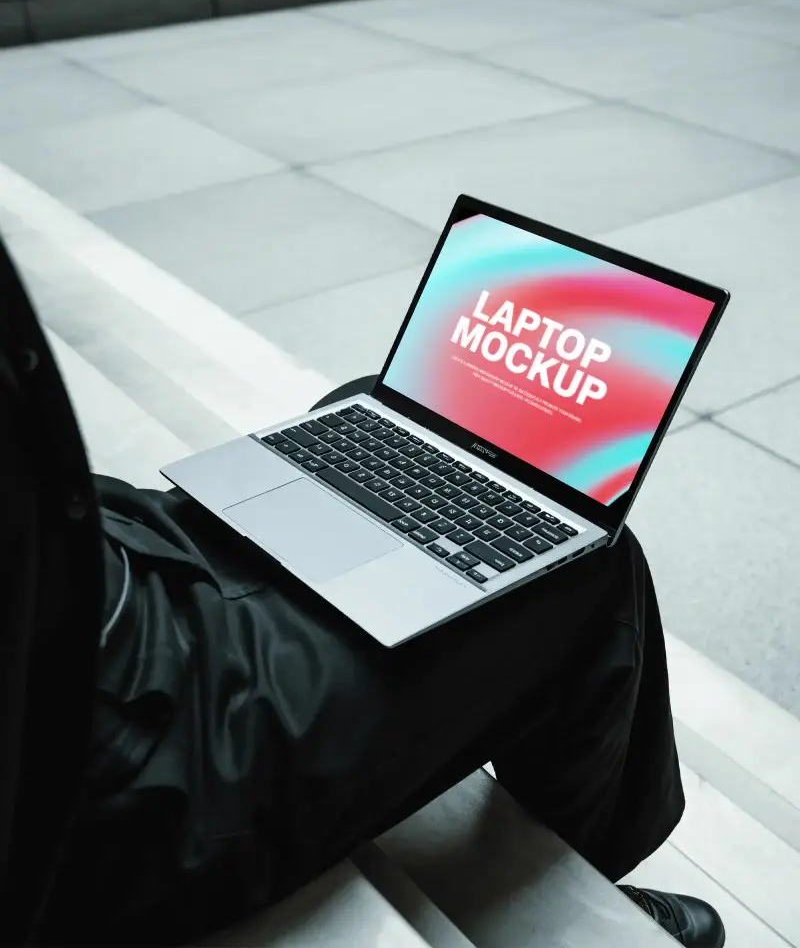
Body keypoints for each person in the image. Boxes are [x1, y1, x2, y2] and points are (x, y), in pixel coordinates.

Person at [0, 241, 725, 948]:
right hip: (141, 739)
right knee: (592, 566)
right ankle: (591, 903)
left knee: (373, 407)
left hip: (111, 577)